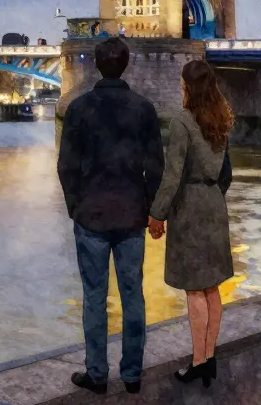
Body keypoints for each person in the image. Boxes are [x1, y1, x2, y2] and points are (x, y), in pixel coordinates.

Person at [57, 37, 163, 395]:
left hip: (92, 215)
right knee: (133, 295)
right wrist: (151, 209)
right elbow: (156, 167)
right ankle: (132, 374)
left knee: (94, 296)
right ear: (127, 64)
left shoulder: (78, 108)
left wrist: (75, 205)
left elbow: (66, 165)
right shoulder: (144, 109)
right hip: (132, 215)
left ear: (97, 65)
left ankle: (97, 373)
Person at [148, 59, 235, 389]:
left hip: (191, 208)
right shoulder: (222, 118)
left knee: (195, 290)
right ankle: (209, 357)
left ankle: (198, 361)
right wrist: (213, 194)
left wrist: (157, 214)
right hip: (215, 204)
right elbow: (227, 173)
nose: (181, 87)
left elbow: (172, 176)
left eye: (183, 83)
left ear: (189, 87)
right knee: (212, 287)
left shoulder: (182, 122)